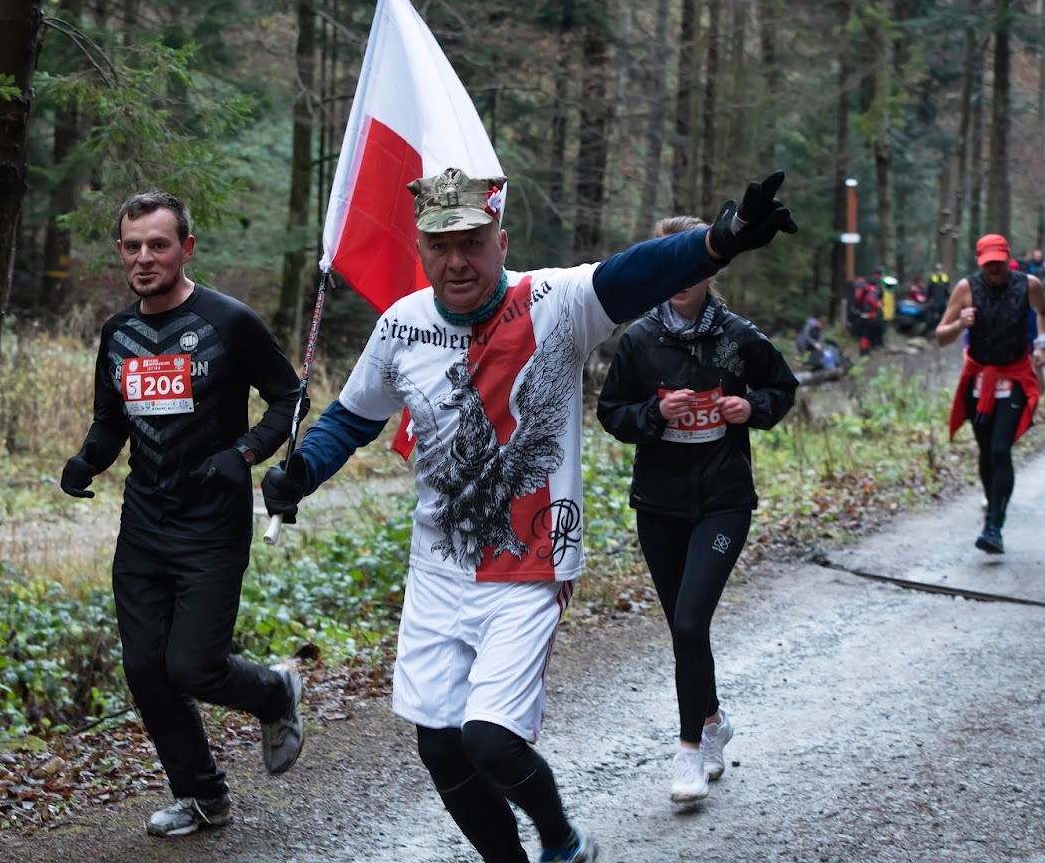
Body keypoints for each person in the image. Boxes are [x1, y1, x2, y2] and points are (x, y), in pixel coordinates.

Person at [261, 168, 797, 862]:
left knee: (487, 738)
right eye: (439, 246)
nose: (456, 261)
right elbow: (353, 417)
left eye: (472, 243)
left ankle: (560, 839)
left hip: (529, 561)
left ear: (500, 241)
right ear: (420, 251)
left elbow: (633, 274)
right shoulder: (402, 325)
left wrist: (718, 241)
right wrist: (302, 471)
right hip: (437, 567)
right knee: (440, 747)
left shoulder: (551, 302)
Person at [59, 189, 307, 837]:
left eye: (158, 244)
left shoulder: (229, 322)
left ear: (185, 248)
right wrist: (88, 459)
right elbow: (112, 419)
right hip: (143, 522)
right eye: (133, 246)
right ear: (121, 251)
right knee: (146, 669)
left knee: (192, 666)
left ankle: (275, 693)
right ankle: (202, 798)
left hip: (212, 523)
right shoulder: (118, 333)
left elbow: (289, 397)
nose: (144, 257)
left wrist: (245, 451)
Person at [594, 215, 797, 805]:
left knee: (688, 623)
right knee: (686, 631)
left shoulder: (740, 337)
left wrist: (748, 407)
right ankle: (712, 721)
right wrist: (655, 415)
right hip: (658, 505)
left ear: (709, 269)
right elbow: (613, 414)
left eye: (691, 267)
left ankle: (687, 751)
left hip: (723, 503)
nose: (679, 278)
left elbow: (782, 390)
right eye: (669, 266)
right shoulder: (638, 340)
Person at [935, 232, 1045, 554]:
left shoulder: (1029, 285)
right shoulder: (966, 289)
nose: (993, 270)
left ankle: (994, 524)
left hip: (1013, 375)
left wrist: (1041, 343)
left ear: (1007, 258)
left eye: (998, 263)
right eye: (988, 265)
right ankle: (993, 509)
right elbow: (941, 336)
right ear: (979, 262)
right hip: (979, 380)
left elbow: (1043, 312)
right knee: (986, 451)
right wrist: (960, 324)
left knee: (1000, 449)